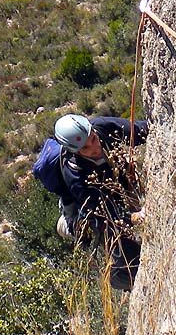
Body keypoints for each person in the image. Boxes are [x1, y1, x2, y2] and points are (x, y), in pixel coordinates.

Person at [51, 114, 148, 290]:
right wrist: (135, 217)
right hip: (94, 208)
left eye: (93, 139)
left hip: (115, 180)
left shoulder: (101, 127)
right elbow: (106, 217)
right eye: (86, 148)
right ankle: (120, 277)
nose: (95, 147)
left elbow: (139, 131)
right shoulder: (77, 176)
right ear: (75, 152)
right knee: (129, 255)